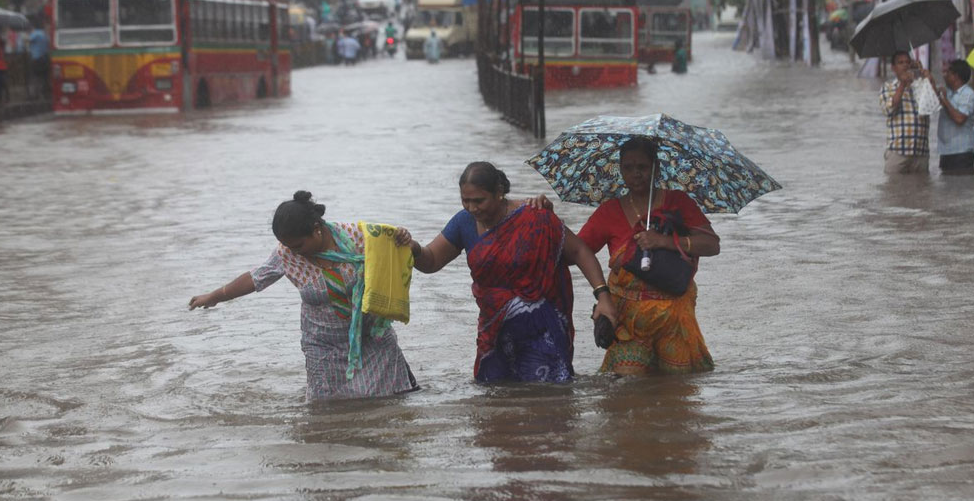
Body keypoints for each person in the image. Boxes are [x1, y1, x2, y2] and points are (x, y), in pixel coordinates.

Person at [189, 191, 418, 400]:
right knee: (323, 412)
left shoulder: (359, 237)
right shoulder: (286, 253)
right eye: (288, 246)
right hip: (322, 346)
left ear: (317, 229)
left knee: (388, 404)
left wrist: (403, 238)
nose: (295, 251)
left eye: (299, 245)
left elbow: (394, 247)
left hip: (370, 337)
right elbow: (255, 278)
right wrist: (214, 296)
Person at [407, 162, 617, 383]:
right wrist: (414, 249)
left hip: (541, 330)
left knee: (549, 402)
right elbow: (431, 261)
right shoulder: (464, 223)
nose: (472, 208)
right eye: (465, 201)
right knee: (494, 401)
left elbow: (578, 251)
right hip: (494, 333)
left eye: (479, 201)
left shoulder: (535, 216)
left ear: (499, 193)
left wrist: (602, 296)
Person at [577, 137, 719, 376]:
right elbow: (578, 252)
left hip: (674, 316)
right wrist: (601, 295)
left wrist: (665, 242)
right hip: (628, 320)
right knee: (625, 388)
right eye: (628, 168)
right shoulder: (609, 212)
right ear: (620, 169)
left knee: (677, 390)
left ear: (656, 168)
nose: (636, 174)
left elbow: (712, 245)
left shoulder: (678, 203)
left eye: (642, 167)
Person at [879, 51, 931, 174]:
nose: (905, 65)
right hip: (898, 153)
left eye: (907, 62)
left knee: (923, 191)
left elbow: (932, 106)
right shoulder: (887, 87)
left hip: (920, 153)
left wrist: (928, 79)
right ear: (893, 68)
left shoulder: (920, 85)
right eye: (900, 62)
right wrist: (902, 84)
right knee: (894, 190)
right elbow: (890, 110)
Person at [924, 59, 974, 175]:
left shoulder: (968, 94)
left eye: (948, 72)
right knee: (947, 189)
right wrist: (929, 79)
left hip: (962, 153)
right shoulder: (948, 92)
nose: (944, 75)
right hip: (946, 151)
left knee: (961, 187)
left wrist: (945, 101)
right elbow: (934, 98)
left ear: (956, 76)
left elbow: (960, 119)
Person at [27, 20, 50, 100]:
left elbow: (28, 40)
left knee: (34, 77)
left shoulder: (35, 34)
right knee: (43, 77)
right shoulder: (44, 34)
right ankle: (42, 94)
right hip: (44, 58)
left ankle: (34, 95)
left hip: (36, 58)